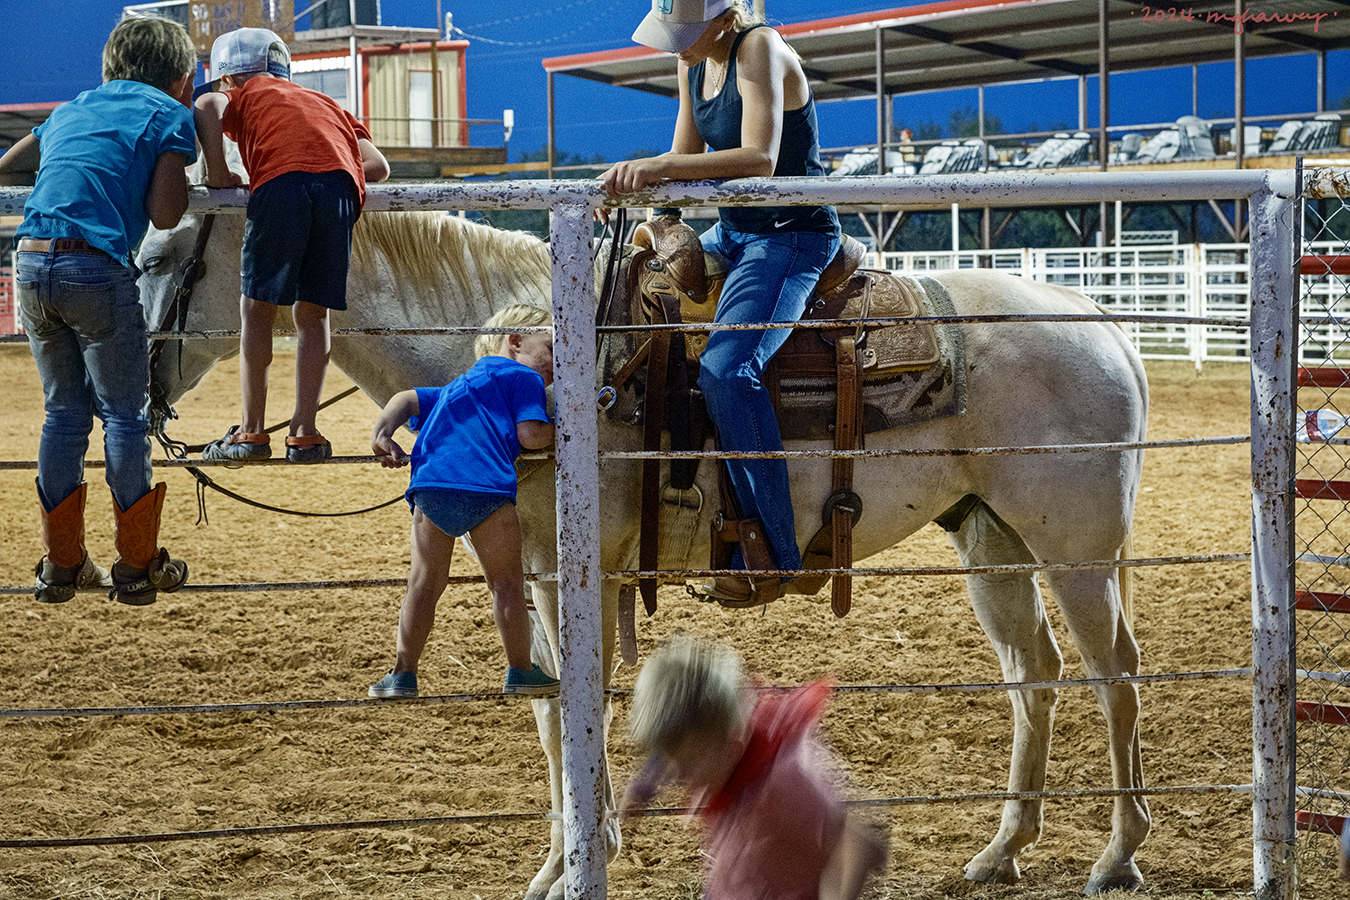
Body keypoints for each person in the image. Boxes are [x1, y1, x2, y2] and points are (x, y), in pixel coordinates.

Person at [599, 0, 842, 607]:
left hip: (791, 232)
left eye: (685, 31)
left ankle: (776, 554)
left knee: (727, 370)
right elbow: (683, 152)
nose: (676, 44)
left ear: (723, 18)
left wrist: (658, 167)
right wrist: (652, 210)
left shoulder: (759, 48)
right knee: (626, 295)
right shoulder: (692, 61)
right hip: (733, 232)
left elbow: (760, 158)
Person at [0, 15, 195, 606]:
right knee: (124, 418)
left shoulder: (72, 108)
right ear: (180, 78)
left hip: (31, 264)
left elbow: (11, 165)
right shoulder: (169, 114)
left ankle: (61, 566)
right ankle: (135, 566)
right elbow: (166, 215)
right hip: (96, 269)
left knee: (62, 414)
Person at [193, 27, 390, 465]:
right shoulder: (325, 102)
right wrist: (327, 166)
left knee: (257, 310)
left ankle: (251, 431)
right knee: (313, 314)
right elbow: (378, 167)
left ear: (227, 78)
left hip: (281, 184)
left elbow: (206, 107)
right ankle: (304, 432)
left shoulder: (242, 93)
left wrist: (217, 175)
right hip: (339, 190)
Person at [367, 304, 561, 699]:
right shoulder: (525, 377)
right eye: (552, 348)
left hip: (432, 487)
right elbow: (530, 435)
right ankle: (520, 669)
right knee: (506, 584)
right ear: (515, 340)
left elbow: (405, 399)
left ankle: (402, 673)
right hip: (487, 491)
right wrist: (567, 428)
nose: (559, 362)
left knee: (423, 583)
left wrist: (382, 433)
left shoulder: (458, 387)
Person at [622, 633, 889, 900]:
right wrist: (644, 785)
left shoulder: (782, 783)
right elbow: (673, 748)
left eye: (687, 764)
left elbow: (859, 846)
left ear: (732, 746)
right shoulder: (718, 745)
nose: (679, 775)